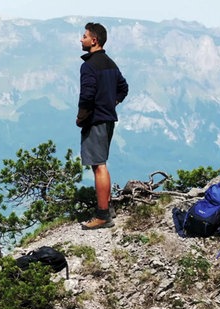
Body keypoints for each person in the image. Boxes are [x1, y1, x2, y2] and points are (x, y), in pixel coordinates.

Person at [77, 22, 129, 230]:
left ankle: (102, 216)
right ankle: (106, 207)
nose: (81, 39)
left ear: (94, 40)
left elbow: (87, 95)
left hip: (96, 119)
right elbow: (123, 88)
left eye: (84, 36)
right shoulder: (109, 63)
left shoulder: (88, 65)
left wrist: (81, 117)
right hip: (108, 118)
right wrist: (112, 102)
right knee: (101, 163)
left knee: (98, 166)